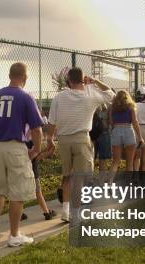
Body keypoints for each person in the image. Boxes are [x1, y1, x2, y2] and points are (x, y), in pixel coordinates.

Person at [0, 62, 44, 246]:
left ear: (9, 75)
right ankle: (14, 235)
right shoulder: (25, 97)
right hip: (15, 146)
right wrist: (36, 149)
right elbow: (36, 129)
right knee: (18, 191)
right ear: (25, 78)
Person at [46, 67, 115, 222]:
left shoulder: (59, 97)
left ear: (69, 80)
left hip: (63, 139)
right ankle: (76, 213)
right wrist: (95, 81)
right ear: (83, 79)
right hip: (82, 139)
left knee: (67, 175)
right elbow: (111, 94)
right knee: (79, 178)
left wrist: (49, 138)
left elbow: (51, 121)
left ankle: (65, 210)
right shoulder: (91, 94)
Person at [23, 114, 57, 221]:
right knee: (38, 191)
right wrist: (45, 153)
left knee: (18, 189)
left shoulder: (20, 133)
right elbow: (36, 155)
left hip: (20, 164)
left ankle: (19, 212)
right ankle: (46, 212)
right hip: (32, 166)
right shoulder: (34, 135)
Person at [108, 91, 143, 176]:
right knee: (130, 161)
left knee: (116, 161)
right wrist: (140, 137)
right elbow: (135, 122)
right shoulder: (131, 107)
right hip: (128, 130)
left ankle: (109, 183)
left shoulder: (112, 107)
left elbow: (111, 122)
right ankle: (129, 183)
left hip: (116, 130)